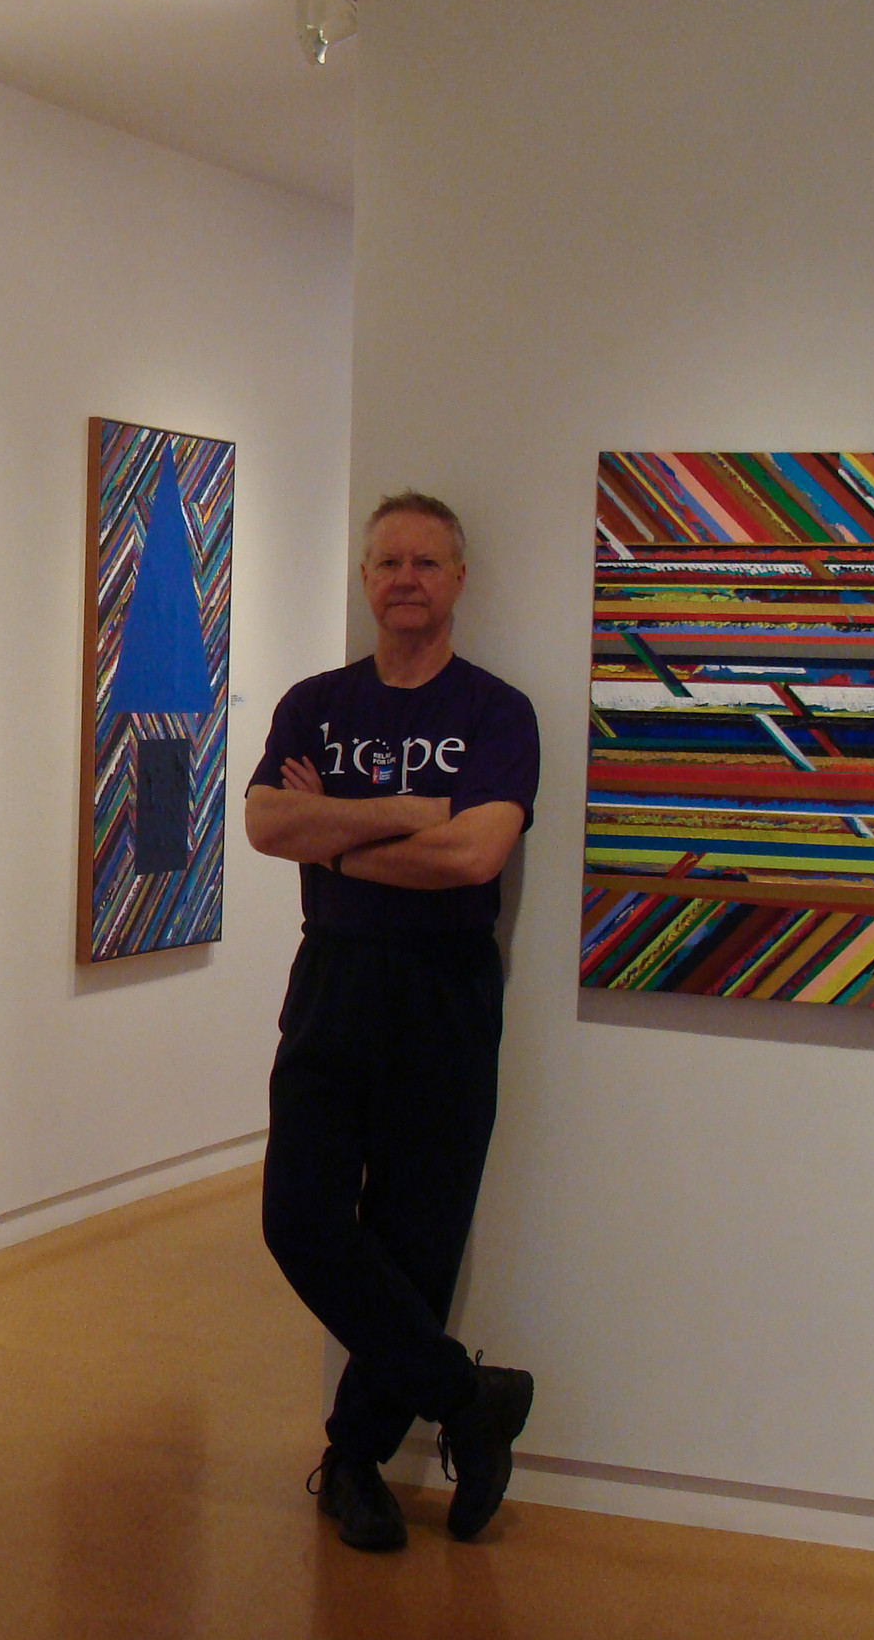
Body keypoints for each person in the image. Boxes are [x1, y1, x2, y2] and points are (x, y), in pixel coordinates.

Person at [243, 491, 540, 1551]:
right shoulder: (315, 704)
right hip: (334, 980)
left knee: (416, 1242)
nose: (404, 578)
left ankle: (355, 1461)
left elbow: (474, 854)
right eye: (387, 562)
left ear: (457, 578)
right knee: (301, 1221)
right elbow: (265, 822)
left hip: (445, 991)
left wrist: (334, 836)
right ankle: (470, 1399)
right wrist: (409, 814)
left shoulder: (497, 713)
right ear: (365, 579)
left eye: (425, 562)